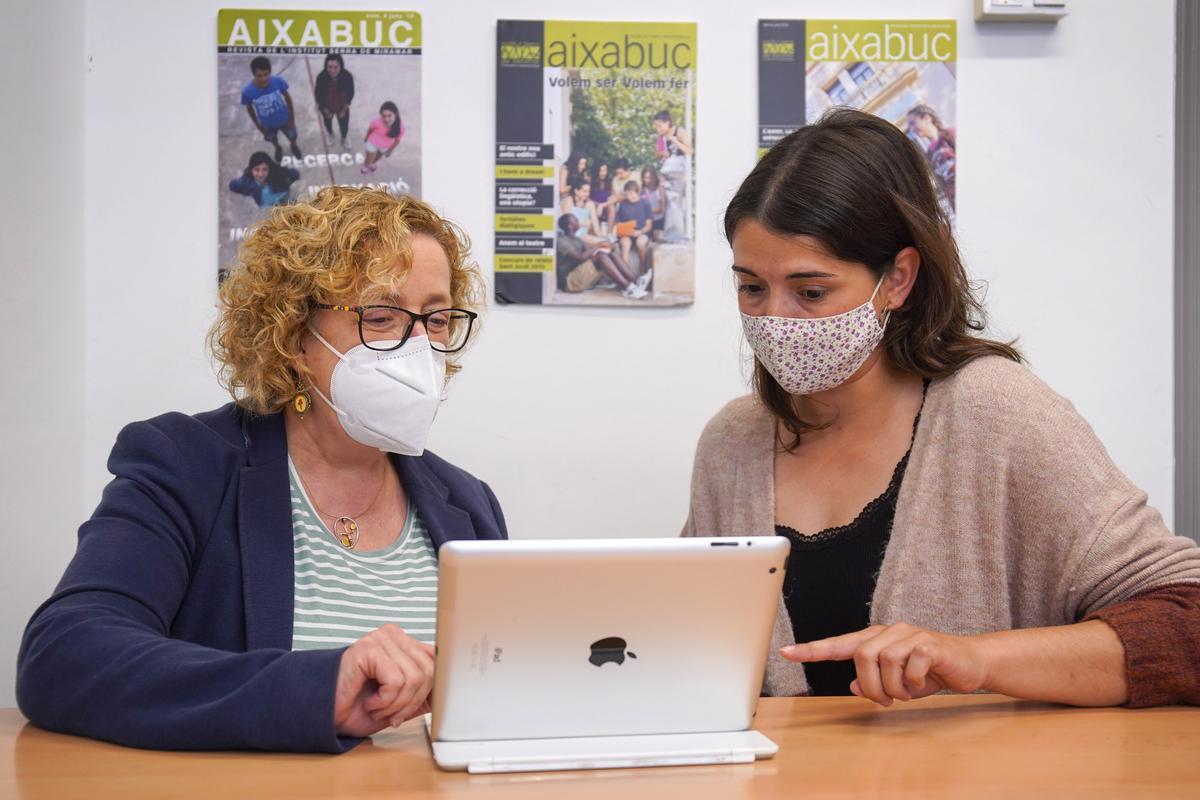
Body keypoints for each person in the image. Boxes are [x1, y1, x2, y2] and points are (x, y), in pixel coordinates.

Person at [684, 108, 1200, 708]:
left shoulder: (997, 414)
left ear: (898, 279)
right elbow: (690, 643)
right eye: (751, 287)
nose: (774, 318)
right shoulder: (731, 443)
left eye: (811, 291)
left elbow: (1186, 621)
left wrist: (976, 658)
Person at [16, 188, 507, 752]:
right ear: (295, 335)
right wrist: (322, 686)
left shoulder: (468, 504)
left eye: (439, 320)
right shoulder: (185, 463)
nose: (419, 347)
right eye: (381, 315)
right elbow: (64, 657)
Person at [555, 214, 647, 300]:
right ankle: (628, 288)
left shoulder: (577, 240)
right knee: (600, 255)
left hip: (580, 275)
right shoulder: (562, 241)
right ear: (570, 226)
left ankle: (636, 280)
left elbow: (589, 253)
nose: (578, 222)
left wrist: (607, 247)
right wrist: (598, 245)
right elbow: (580, 257)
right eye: (575, 220)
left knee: (610, 253)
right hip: (570, 282)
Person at [241, 56, 302, 164]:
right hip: (267, 125)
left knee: (293, 135)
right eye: (259, 75)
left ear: (270, 72)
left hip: (285, 119)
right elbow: (250, 109)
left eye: (266, 74)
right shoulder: (247, 92)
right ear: (254, 75)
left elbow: (288, 99)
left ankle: (293, 146)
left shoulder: (278, 81)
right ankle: (278, 148)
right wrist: (259, 126)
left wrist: (292, 119)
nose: (264, 78)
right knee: (272, 139)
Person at [906, 104, 956, 210]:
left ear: (926, 118)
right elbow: (941, 182)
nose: (911, 129)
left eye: (913, 123)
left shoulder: (950, 134)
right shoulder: (929, 153)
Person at [652, 110, 692, 241]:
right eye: (656, 126)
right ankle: (670, 233)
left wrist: (676, 142)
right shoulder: (661, 137)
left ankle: (678, 233)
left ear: (667, 122)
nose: (658, 129)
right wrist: (662, 153)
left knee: (675, 201)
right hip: (666, 171)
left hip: (678, 171)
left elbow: (690, 150)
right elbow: (657, 154)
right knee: (667, 202)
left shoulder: (679, 131)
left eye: (659, 126)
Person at [227, 151, 300, 207]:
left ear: (270, 169)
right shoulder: (246, 181)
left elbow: (295, 174)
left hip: (281, 195)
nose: (260, 174)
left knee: (285, 203)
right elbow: (233, 186)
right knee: (275, 206)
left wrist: (288, 182)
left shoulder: (277, 173)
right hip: (266, 201)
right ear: (251, 169)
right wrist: (246, 191)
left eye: (264, 170)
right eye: (256, 170)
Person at [313, 52, 355, 150]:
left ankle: (344, 137)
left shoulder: (347, 76)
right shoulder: (321, 77)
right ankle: (330, 134)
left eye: (335, 67)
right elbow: (318, 94)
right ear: (326, 66)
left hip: (342, 106)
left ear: (341, 65)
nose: (332, 70)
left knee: (344, 125)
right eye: (330, 67)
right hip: (327, 106)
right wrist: (324, 108)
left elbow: (351, 93)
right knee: (327, 123)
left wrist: (345, 108)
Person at [614, 180, 653, 270]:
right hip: (627, 233)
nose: (629, 197)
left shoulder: (645, 203)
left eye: (631, 194)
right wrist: (626, 231)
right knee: (625, 243)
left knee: (640, 242)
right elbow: (618, 223)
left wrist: (640, 231)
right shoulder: (622, 204)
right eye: (627, 194)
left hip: (641, 232)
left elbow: (649, 225)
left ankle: (643, 269)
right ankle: (625, 272)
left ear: (637, 192)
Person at [361, 101, 404, 175]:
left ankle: (372, 164)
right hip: (372, 142)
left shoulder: (401, 127)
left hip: (385, 146)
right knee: (369, 157)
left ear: (395, 114)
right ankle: (365, 166)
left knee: (378, 156)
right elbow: (370, 129)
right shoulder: (376, 121)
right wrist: (366, 137)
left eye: (389, 116)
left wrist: (390, 150)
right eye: (383, 116)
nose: (386, 119)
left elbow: (397, 140)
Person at [559, 181, 605, 247]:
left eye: (588, 191)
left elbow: (596, 227)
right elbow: (566, 222)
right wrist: (585, 223)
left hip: (584, 235)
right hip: (571, 235)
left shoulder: (589, 204)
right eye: (584, 191)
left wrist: (601, 237)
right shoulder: (569, 201)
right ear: (576, 191)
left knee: (605, 243)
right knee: (603, 244)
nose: (587, 194)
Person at [606, 158, 640, 229]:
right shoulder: (615, 179)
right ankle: (610, 233)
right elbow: (616, 196)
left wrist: (623, 196)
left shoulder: (637, 175)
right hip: (621, 204)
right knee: (611, 205)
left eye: (621, 173)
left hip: (636, 204)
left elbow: (638, 193)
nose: (618, 175)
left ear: (628, 170)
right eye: (617, 173)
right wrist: (624, 196)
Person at [640, 165, 666, 242]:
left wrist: (648, 211)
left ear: (653, 177)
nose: (646, 180)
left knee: (657, 240)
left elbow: (662, 209)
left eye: (649, 177)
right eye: (644, 177)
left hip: (657, 220)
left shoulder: (658, 189)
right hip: (646, 221)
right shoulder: (643, 188)